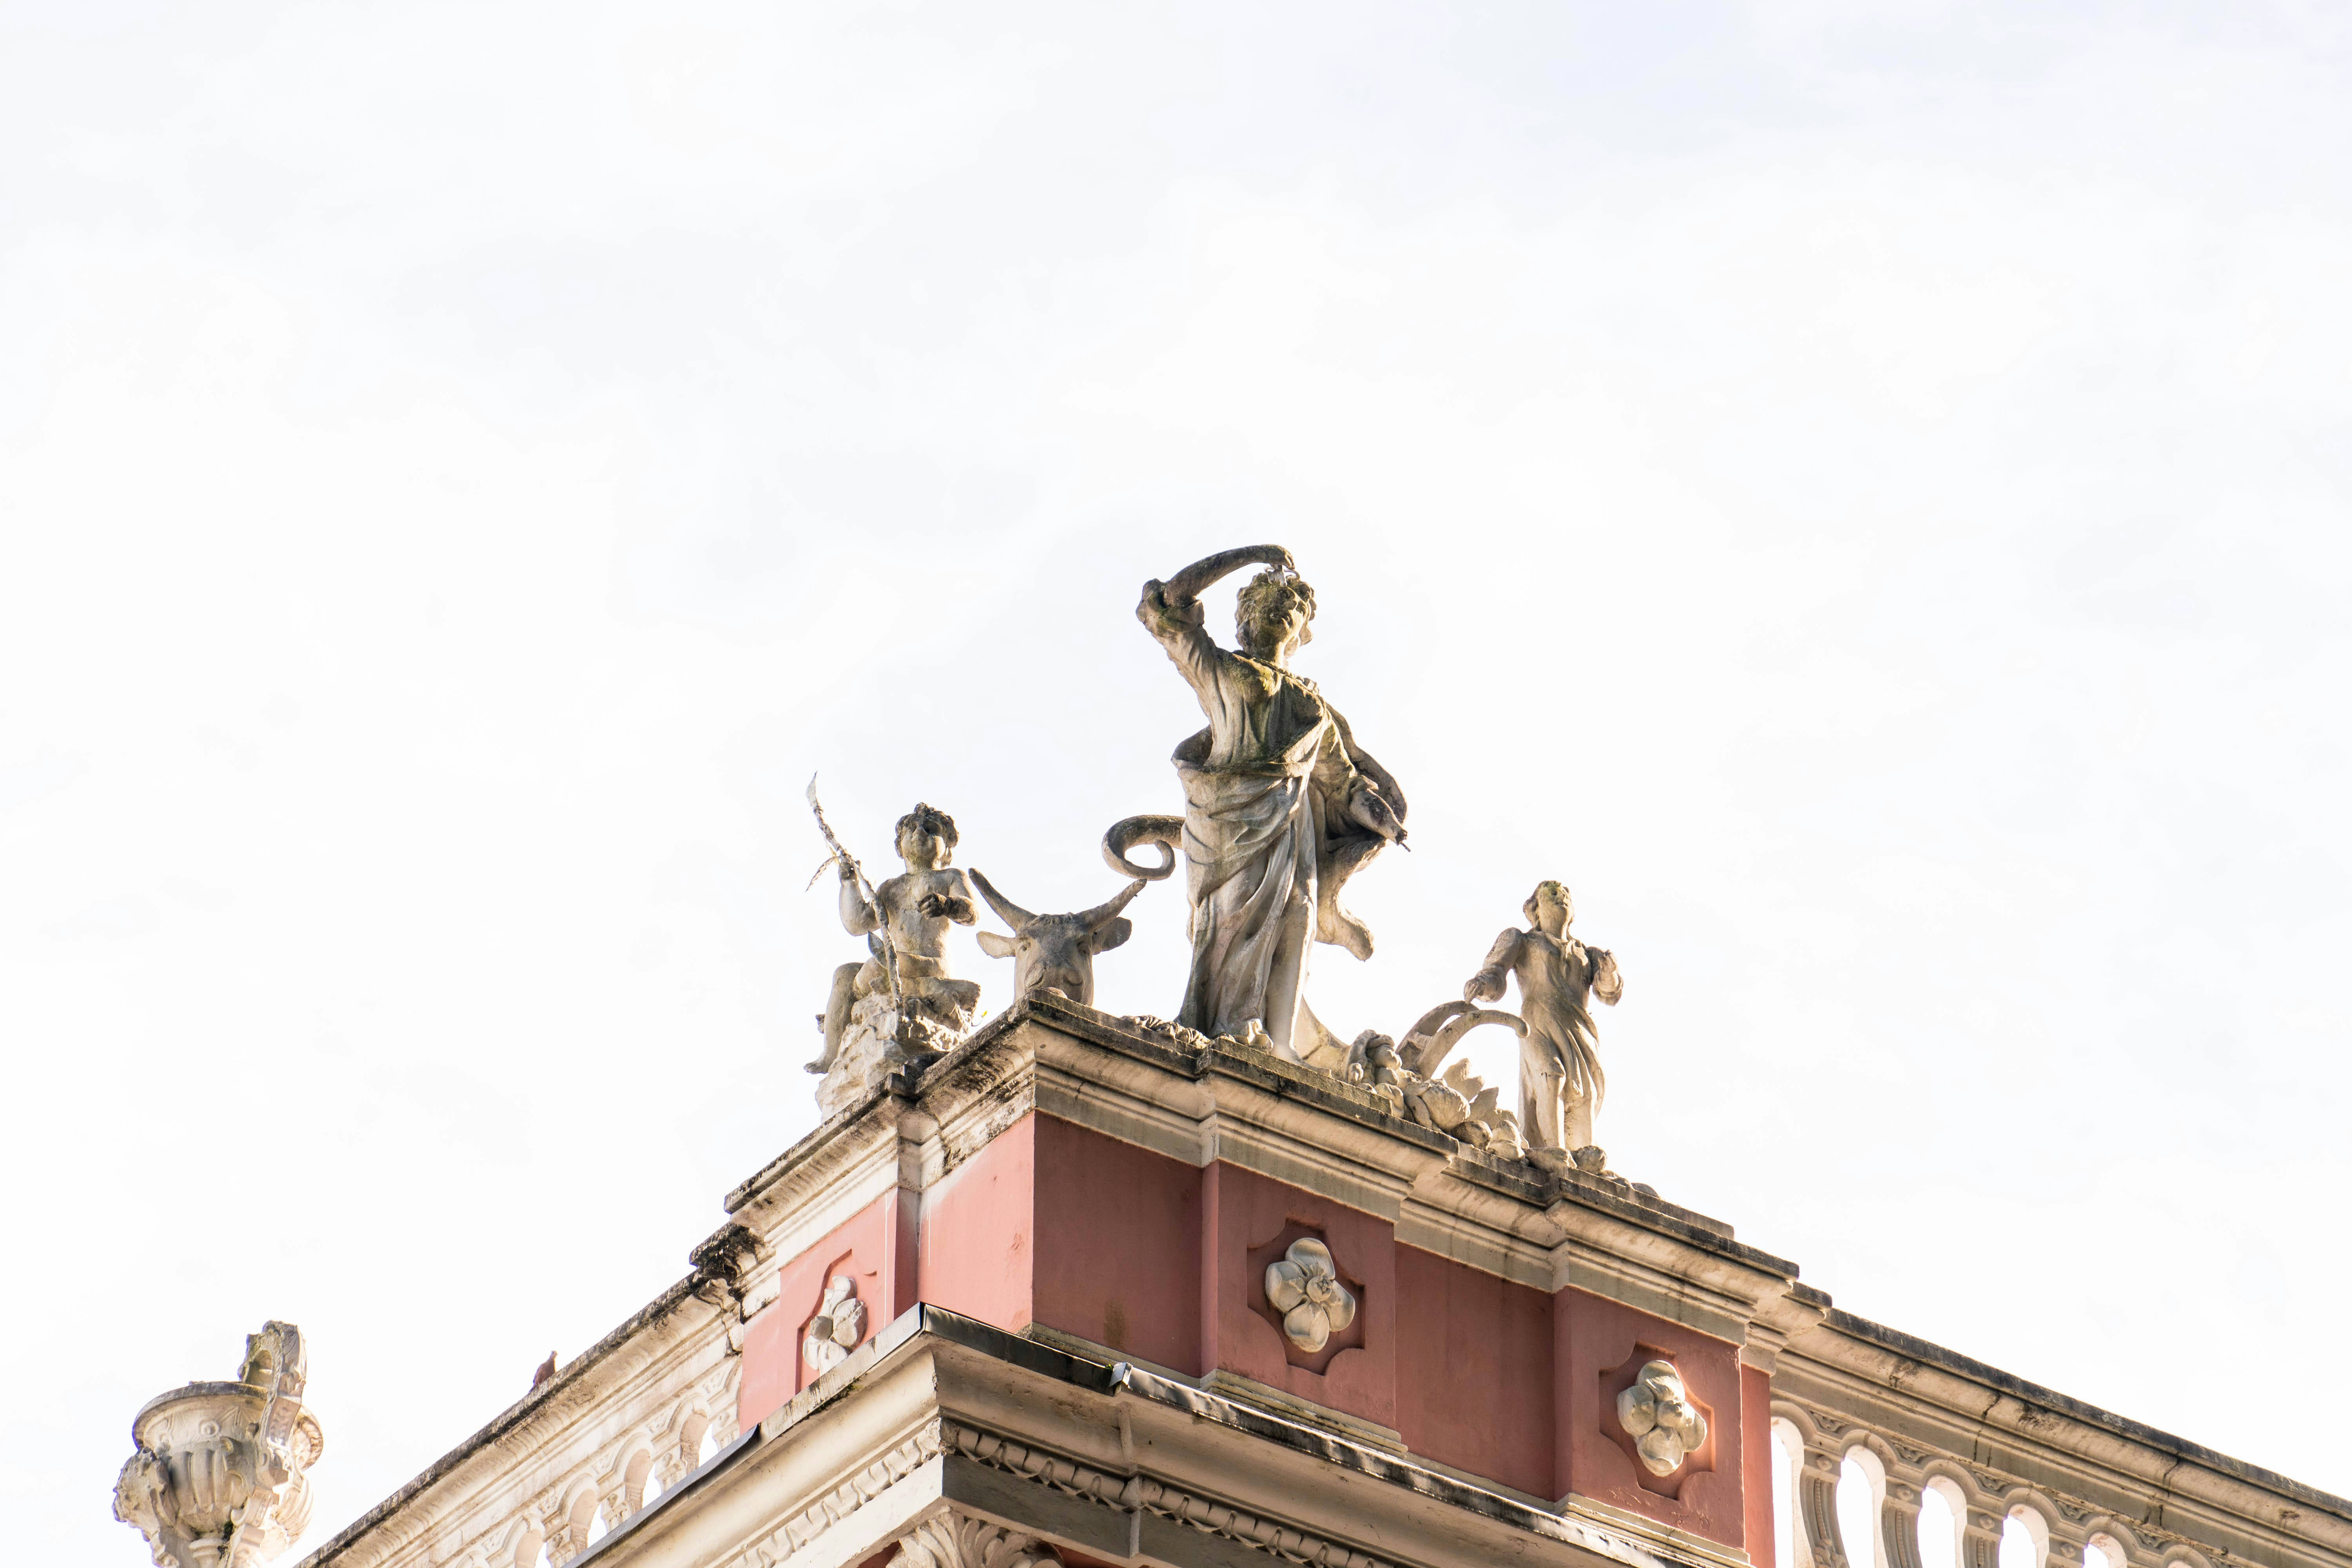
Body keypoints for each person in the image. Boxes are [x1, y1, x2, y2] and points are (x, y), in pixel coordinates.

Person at [1137, 545, 1407, 1057]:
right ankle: (1223, 1029)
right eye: (1267, 602)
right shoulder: (1219, 669)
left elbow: (1346, 787)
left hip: (1290, 833)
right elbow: (1168, 605)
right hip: (1227, 821)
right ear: (1246, 618)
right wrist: (1254, 556)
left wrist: (1388, 824)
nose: (1281, 610)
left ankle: (1276, 1044)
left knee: (1294, 921)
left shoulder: (1311, 706)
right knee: (1231, 918)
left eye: (1293, 606)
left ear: (1303, 627)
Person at [806, 803, 980, 1073]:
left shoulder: (949, 876)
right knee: (843, 975)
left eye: (930, 830)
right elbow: (858, 923)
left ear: (947, 849)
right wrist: (850, 884)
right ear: (899, 847)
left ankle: (854, 1004)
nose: (920, 833)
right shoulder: (891, 887)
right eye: (911, 829)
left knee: (880, 965)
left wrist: (947, 904)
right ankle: (830, 1054)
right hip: (893, 959)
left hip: (930, 963)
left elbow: (973, 913)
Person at [1463, 880, 1622, 1156]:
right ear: (1535, 909)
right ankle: (1552, 1151)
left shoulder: (1588, 954)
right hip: (1537, 1021)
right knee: (1551, 1075)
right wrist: (1483, 984)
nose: (1561, 897)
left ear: (1573, 913)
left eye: (1566, 896)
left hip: (1579, 1029)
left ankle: (1582, 1156)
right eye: (1551, 894)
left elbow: (1610, 994)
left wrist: (1609, 973)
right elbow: (1496, 972)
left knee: (1584, 1094)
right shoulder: (1522, 940)